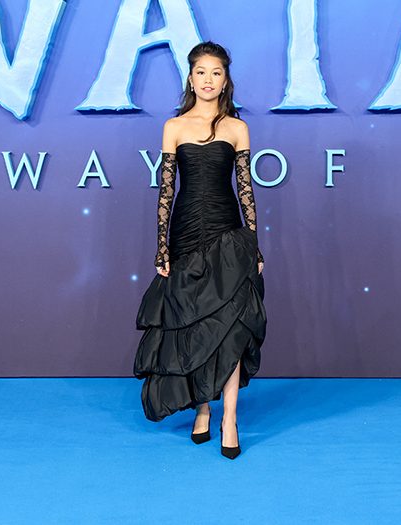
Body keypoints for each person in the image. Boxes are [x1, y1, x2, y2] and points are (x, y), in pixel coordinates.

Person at [134, 41, 267, 460]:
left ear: (225, 80)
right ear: (190, 78)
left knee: (231, 327)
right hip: (187, 233)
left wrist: (253, 245)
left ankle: (230, 418)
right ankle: (202, 409)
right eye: (201, 72)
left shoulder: (237, 128)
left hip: (228, 234)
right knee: (192, 324)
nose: (208, 79)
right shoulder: (173, 126)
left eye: (216, 72)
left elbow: (246, 192)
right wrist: (162, 247)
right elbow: (166, 192)